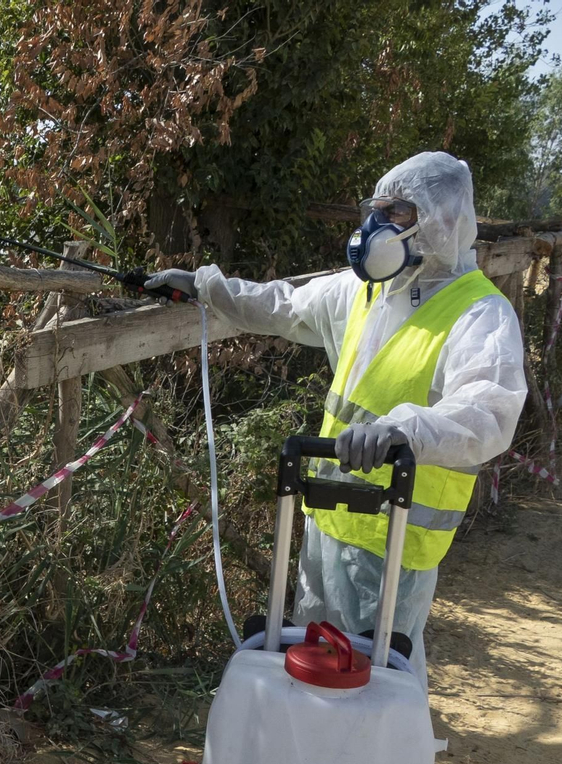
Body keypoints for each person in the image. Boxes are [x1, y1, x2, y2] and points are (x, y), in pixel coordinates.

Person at [145, 151, 526, 682]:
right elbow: (283, 305)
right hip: (327, 524)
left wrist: (402, 430)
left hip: (392, 544)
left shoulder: (480, 313)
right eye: (376, 211)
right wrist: (204, 286)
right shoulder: (367, 293)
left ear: (443, 220)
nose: (377, 226)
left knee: (374, 684)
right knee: (311, 672)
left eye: (397, 212)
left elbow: (489, 410)